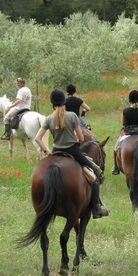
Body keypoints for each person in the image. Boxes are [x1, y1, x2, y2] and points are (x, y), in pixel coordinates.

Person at [34, 89, 109, 219]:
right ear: (64, 103)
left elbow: (37, 138)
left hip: (56, 152)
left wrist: (47, 151)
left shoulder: (48, 119)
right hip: (73, 151)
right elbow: (81, 139)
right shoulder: (72, 116)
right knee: (95, 174)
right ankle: (96, 208)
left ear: (52, 104)